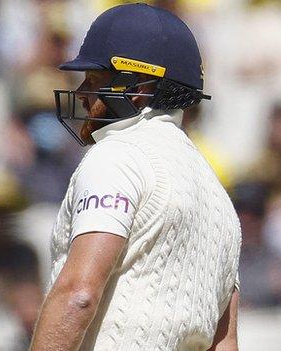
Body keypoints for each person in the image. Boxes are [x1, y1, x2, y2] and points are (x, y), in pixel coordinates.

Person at [30, 4, 241, 351]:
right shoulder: (218, 196)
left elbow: (79, 295)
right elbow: (226, 342)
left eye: (94, 80)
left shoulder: (118, 156)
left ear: (137, 87)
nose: (82, 93)